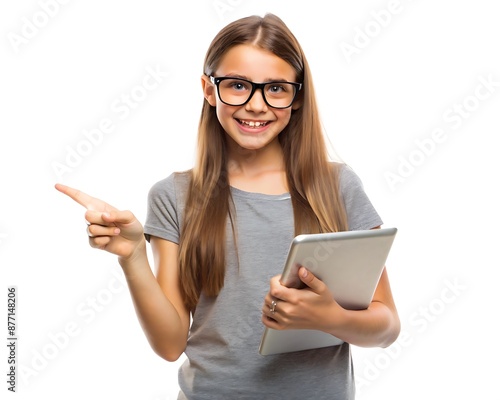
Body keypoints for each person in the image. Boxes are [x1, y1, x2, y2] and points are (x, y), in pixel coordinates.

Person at [56, 13, 400, 400]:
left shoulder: (336, 187)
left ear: (297, 96)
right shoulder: (174, 196)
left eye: (276, 88)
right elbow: (170, 345)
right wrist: (133, 255)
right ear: (208, 89)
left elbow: (387, 326)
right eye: (237, 85)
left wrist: (329, 318)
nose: (256, 105)